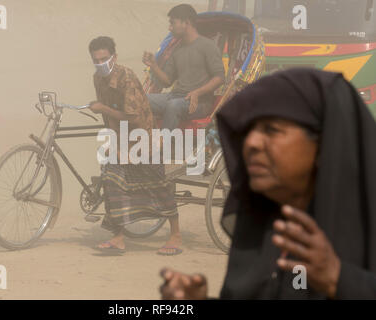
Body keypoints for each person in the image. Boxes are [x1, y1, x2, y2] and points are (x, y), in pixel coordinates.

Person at [159, 68, 376, 299]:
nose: (251, 143)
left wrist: (340, 280)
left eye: (272, 130)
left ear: (324, 144)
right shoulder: (263, 223)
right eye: (248, 131)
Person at [88, 36, 183, 255]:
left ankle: (175, 235)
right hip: (121, 138)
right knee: (111, 179)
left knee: (158, 185)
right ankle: (118, 237)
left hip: (142, 137)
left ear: (115, 57)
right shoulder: (98, 79)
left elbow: (132, 118)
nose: (101, 63)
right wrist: (114, 140)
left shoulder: (127, 78)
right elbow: (110, 116)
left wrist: (102, 108)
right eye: (96, 60)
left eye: (104, 58)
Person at [143, 4, 225, 130]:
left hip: (200, 102)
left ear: (186, 22)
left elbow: (219, 78)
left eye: (172, 23)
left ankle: (161, 145)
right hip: (175, 96)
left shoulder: (207, 46)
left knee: (173, 105)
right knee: (140, 98)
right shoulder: (177, 50)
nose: (170, 28)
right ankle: (138, 140)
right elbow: (167, 81)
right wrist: (154, 65)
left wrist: (197, 92)